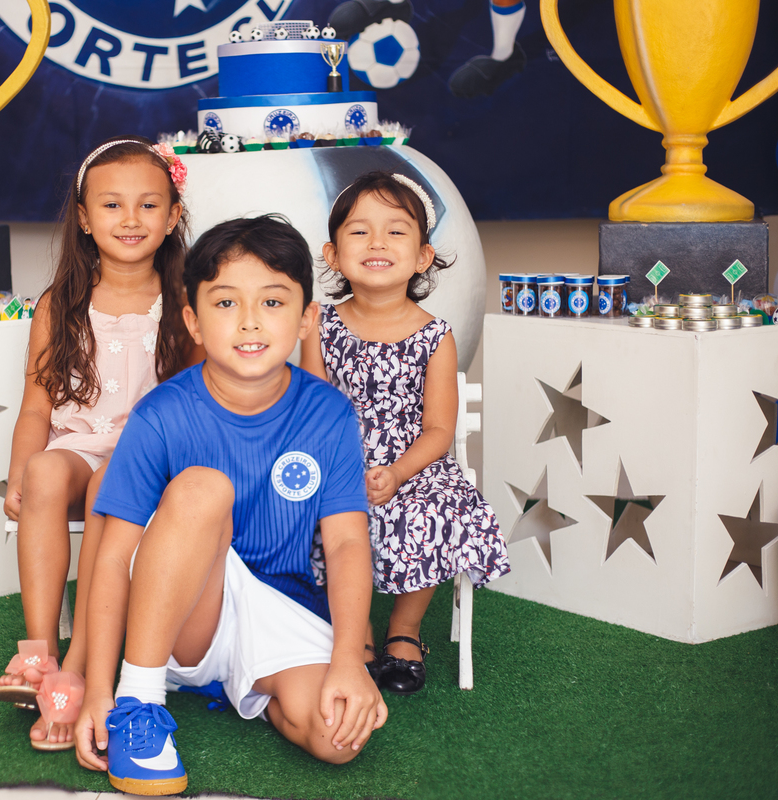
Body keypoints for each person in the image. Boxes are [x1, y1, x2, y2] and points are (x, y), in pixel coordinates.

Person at [74, 215, 386, 795]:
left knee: (338, 736)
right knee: (203, 488)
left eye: (273, 301)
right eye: (225, 303)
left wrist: (348, 659)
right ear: (192, 321)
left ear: (306, 319)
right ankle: (140, 701)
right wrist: (98, 689)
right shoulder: (161, 414)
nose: (249, 321)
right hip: (184, 619)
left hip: (278, 607)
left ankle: (251, 685)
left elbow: (346, 543)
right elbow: (114, 557)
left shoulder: (329, 413)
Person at [0, 136, 196, 751]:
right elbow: (37, 406)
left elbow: (196, 402)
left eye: (148, 205)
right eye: (111, 205)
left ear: (173, 216)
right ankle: (38, 654)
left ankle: (80, 664)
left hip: (151, 457)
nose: (130, 219)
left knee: (114, 481)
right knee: (46, 472)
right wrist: (19, 473)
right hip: (81, 447)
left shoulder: (186, 302)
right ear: (83, 217)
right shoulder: (60, 305)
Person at [300, 171, 510, 695]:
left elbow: (439, 429)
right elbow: (312, 407)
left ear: (422, 256)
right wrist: (340, 467)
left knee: (436, 508)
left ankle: (404, 630)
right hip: (337, 457)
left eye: (395, 231)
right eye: (359, 231)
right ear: (332, 255)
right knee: (306, 506)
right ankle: (356, 631)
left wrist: (396, 473)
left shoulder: (434, 335)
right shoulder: (319, 326)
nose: (377, 242)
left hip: (413, 464)